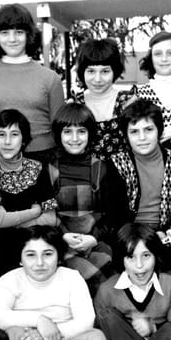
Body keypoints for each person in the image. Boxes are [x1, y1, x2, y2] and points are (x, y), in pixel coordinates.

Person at [0, 3, 65, 164]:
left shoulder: (50, 79)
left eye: (19, 32)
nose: (12, 39)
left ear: (29, 35)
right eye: (5, 33)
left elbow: (60, 130)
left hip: (43, 160)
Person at [47, 102, 116, 296]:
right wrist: (62, 237)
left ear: (90, 134)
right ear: (58, 134)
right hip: (59, 243)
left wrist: (93, 238)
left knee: (104, 284)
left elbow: (112, 214)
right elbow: (44, 213)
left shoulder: (102, 168)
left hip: (95, 242)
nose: (75, 138)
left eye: (81, 132)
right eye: (68, 132)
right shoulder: (48, 169)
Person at [0, 108, 58, 275]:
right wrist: (35, 212)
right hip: (1, 249)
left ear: (24, 139)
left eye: (14, 134)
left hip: (36, 245)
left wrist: (12, 220)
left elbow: (51, 219)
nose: (7, 142)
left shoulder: (37, 167)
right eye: (1, 134)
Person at [108, 98, 171, 232]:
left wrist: (167, 233)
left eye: (148, 129)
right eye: (134, 132)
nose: (142, 137)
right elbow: (115, 214)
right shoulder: (117, 163)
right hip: (129, 233)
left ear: (159, 131)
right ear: (126, 135)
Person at [130, 31, 171, 147]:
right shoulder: (138, 94)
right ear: (151, 58)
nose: (164, 59)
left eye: (170, 53)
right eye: (158, 54)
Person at [73, 38, 129, 160]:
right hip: (85, 170)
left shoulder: (128, 102)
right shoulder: (74, 104)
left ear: (115, 71)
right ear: (82, 72)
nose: (97, 79)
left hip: (122, 170)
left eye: (105, 71)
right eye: (91, 71)